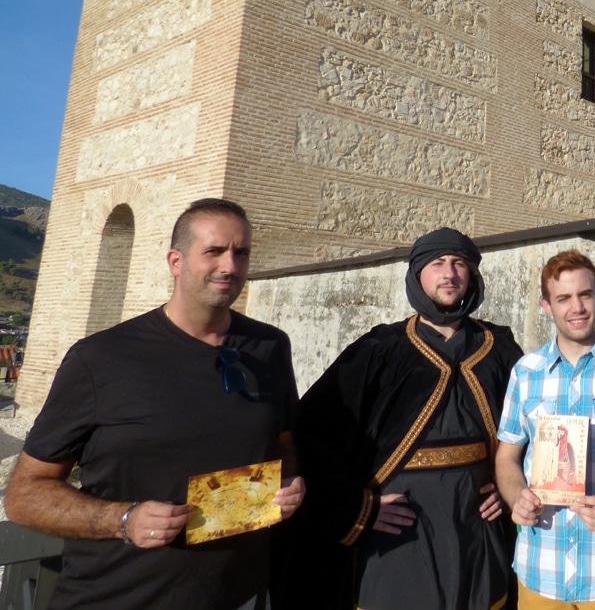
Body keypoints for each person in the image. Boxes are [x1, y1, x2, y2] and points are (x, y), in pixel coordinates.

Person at [5, 198, 305, 610]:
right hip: (118, 597)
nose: (231, 266)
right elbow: (24, 496)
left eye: (241, 253)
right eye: (214, 251)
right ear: (176, 261)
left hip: (238, 595)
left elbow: (285, 444)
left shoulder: (271, 346)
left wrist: (289, 486)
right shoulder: (101, 358)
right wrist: (123, 520)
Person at [293, 227, 522, 610]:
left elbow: (534, 430)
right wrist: (358, 508)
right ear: (417, 275)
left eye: (459, 263)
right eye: (437, 263)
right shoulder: (380, 350)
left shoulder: (499, 350)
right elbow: (313, 431)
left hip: (476, 527)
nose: (449, 274)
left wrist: (510, 487)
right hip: (400, 530)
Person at [495, 250, 595, 609]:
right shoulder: (526, 371)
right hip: (540, 570)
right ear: (546, 306)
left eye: (585, 295)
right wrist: (516, 497)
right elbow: (507, 456)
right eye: (563, 298)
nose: (576, 307)